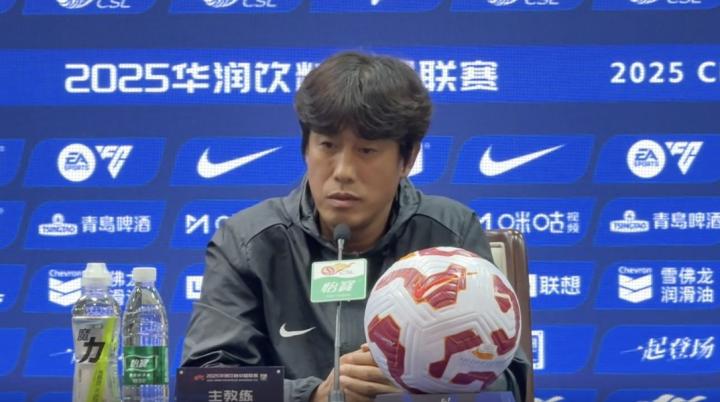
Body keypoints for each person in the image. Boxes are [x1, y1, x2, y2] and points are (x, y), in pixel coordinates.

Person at [181, 51, 530, 402]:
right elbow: (204, 385)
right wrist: (314, 395)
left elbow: (508, 379)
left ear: (407, 159)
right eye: (327, 146)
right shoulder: (249, 242)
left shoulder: (449, 233)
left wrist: (422, 381)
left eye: (366, 151)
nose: (343, 171)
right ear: (306, 149)